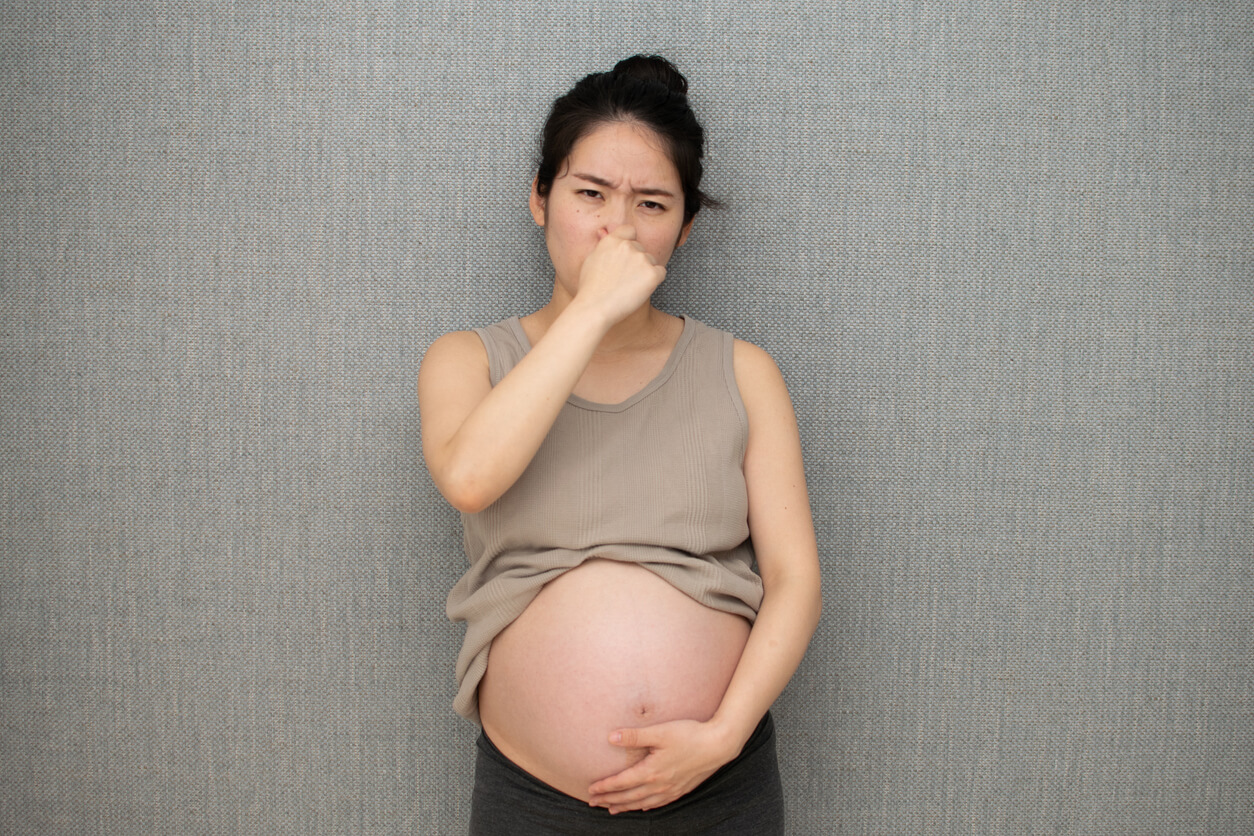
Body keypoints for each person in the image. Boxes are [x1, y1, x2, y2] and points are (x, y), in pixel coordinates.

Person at [418, 55, 821, 834]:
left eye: (652, 203)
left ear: (686, 225)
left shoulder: (745, 372)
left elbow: (796, 578)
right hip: (537, 796)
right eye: (590, 195)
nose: (619, 229)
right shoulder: (466, 361)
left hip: (718, 786)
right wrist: (592, 312)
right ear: (539, 199)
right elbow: (470, 478)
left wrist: (722, 736)